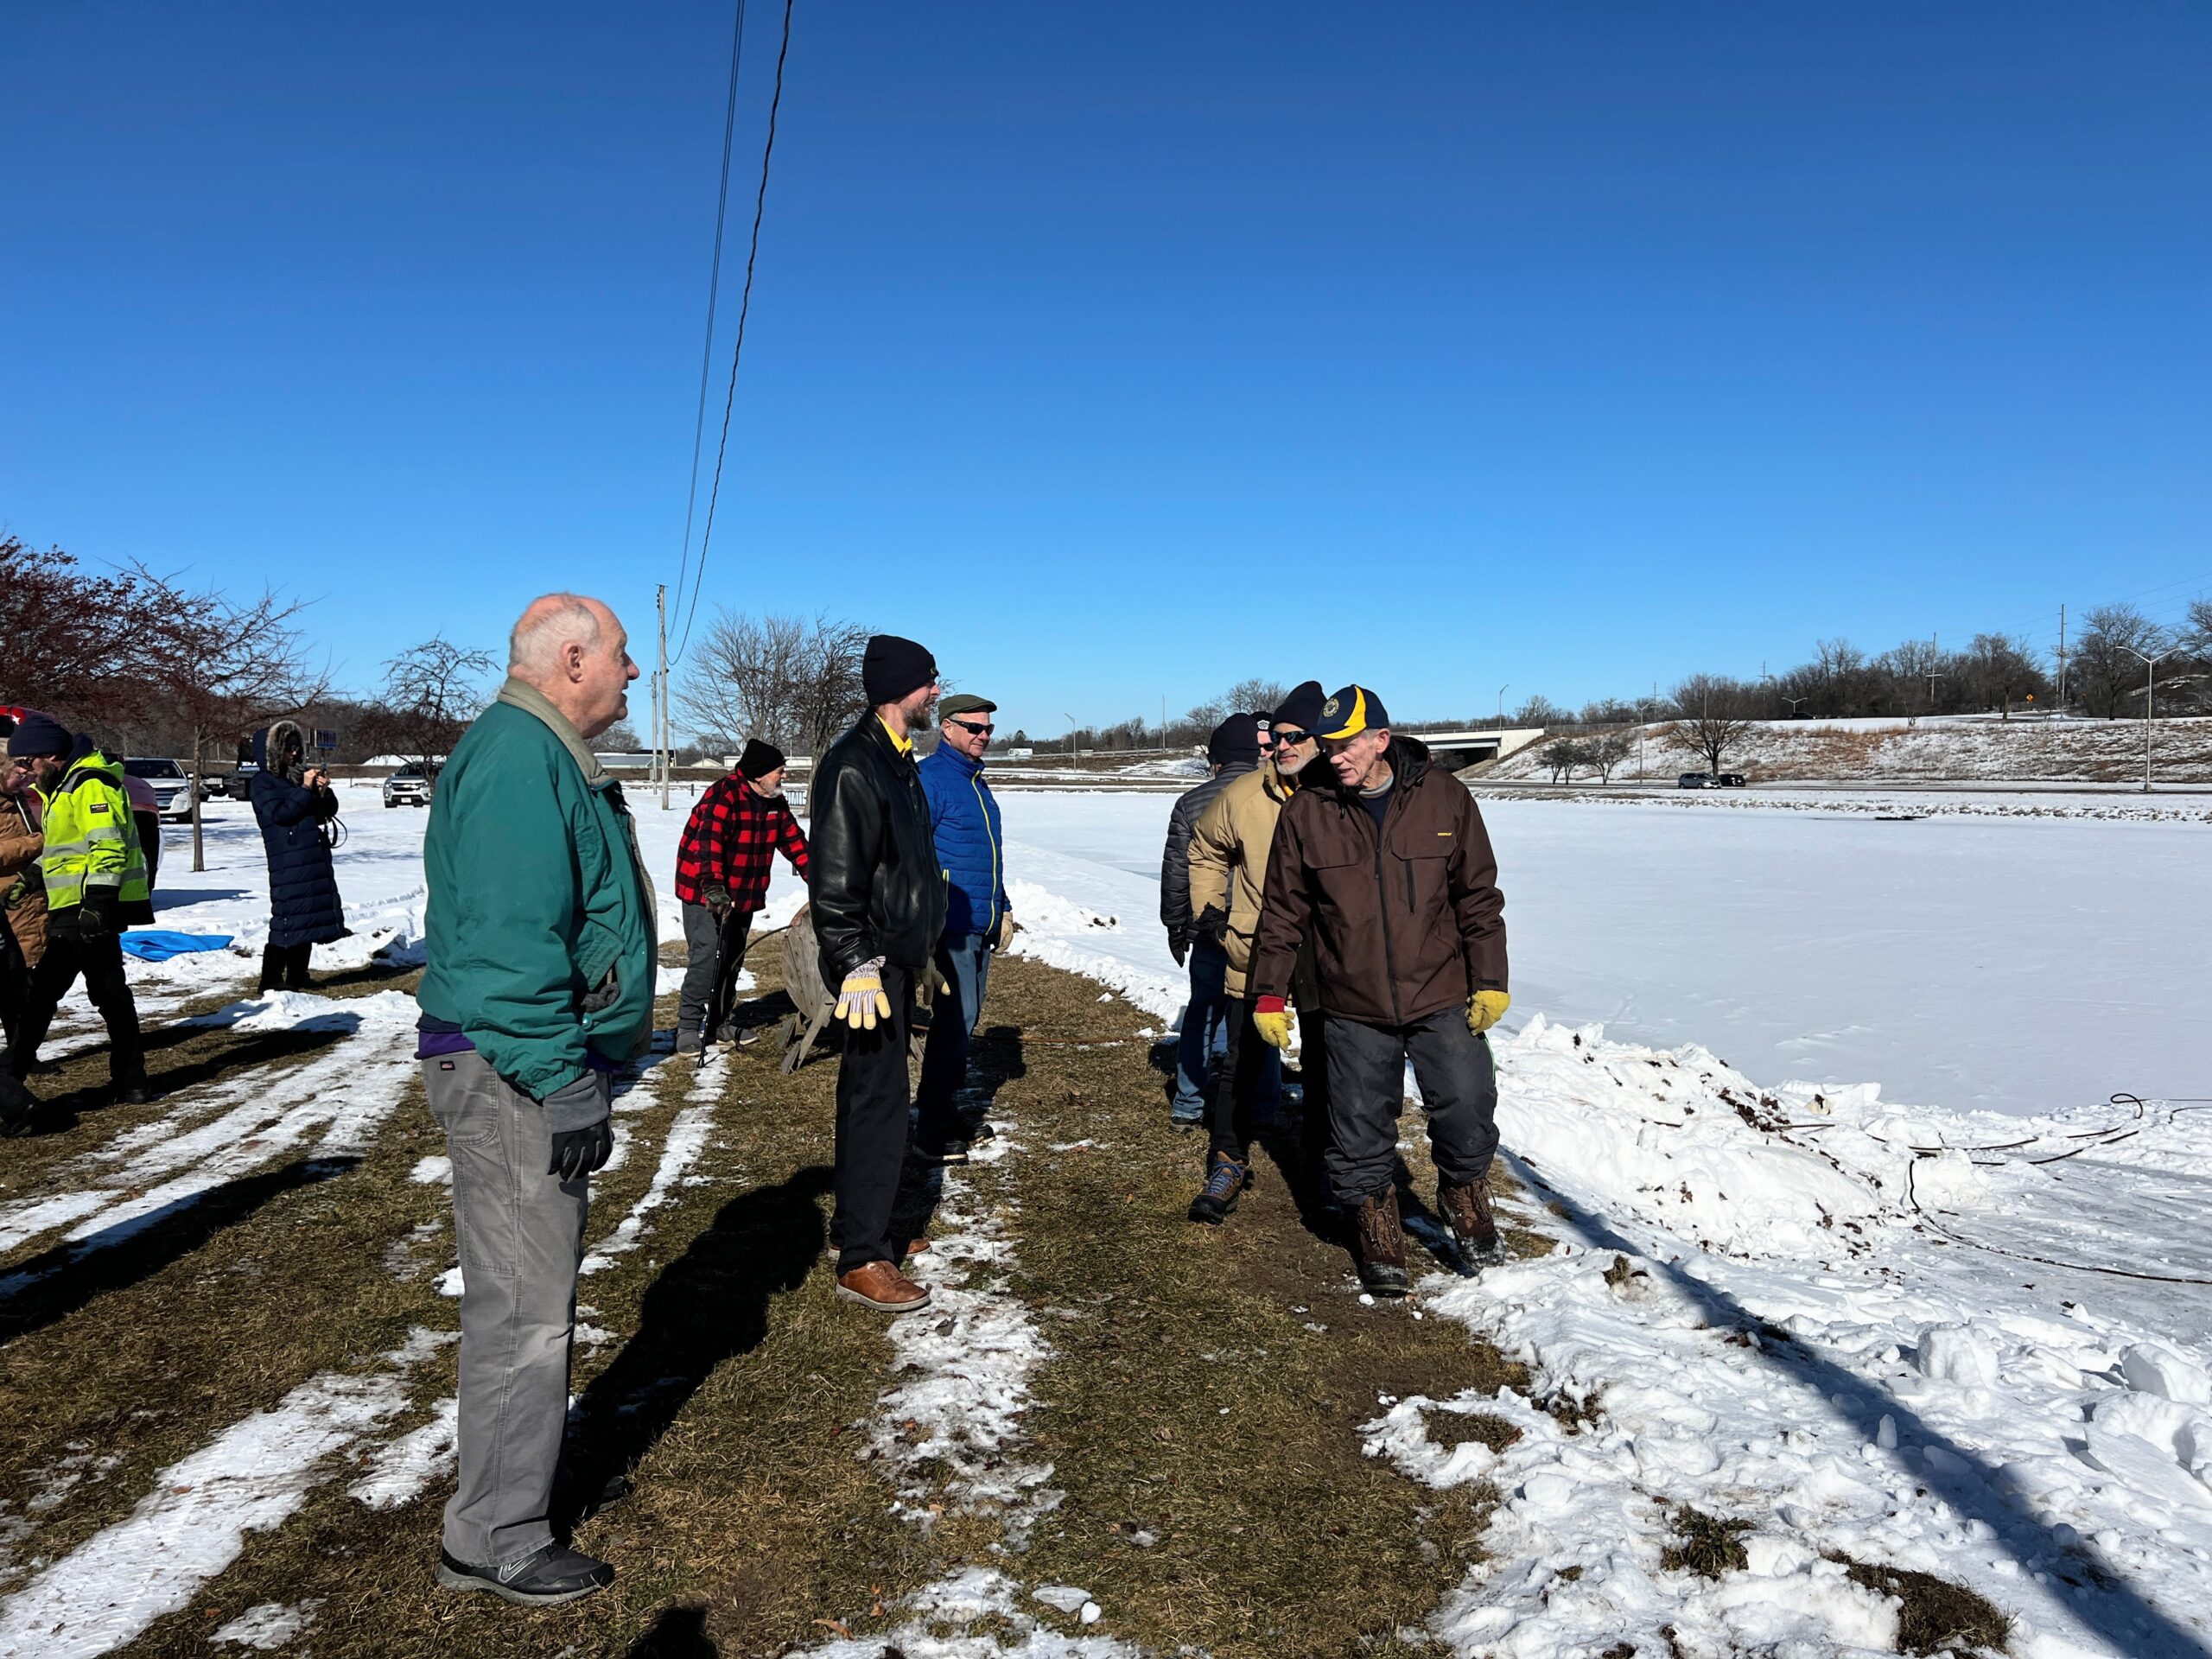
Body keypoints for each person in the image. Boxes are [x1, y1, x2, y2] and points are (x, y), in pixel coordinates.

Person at [415, 593, 652, 1606]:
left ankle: (508, 1500)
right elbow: (510, 946)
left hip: (519, 1061)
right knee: (522, 1310)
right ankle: (496, 1538)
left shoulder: (540, 750)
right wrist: (559, 1078)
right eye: (623, 654)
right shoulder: (520, 757)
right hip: (512, 1068)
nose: (633, 673)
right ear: (572, 660)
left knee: (530, 1297)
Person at [1247, 683, 1510, 1296]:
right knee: (1358, 1121)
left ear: (1381, 740)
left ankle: (1464, 1193)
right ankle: (1375, 1223)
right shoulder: (1307, 811)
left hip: (1440, 989)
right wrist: (1269, 993)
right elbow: (1282, 912)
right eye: (1328, 745)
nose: (1335, 756)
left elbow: (1478, 897)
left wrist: (1491, 980)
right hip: (1350, 999)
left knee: (1466, 1102)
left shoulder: (1445, 797)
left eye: (1347, 745)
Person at [807, 632, 945, 1314]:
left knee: (878, 1098)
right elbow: (835, 886)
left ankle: (864, 1222)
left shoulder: (897, 759)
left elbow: (904, 867)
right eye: (929, 680)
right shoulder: (854, 765)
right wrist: (855, 962)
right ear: (899, 689)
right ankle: (862, 1257)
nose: (937, 691)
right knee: (877, 1104)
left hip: (894, 959)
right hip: (870, 969)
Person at [1184, 685, 1328, 1223]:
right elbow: (1205, 849)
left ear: (1322, 740)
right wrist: (1211, 913)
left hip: (1328, 957)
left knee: (1328, 1063)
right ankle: (1227, 1160)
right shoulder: (1246, 794)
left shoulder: (1341, 793)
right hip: (1256, 947)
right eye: (1278, 737)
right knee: (1241, 1062)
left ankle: (1326, 1166)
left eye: (1296, 737)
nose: (1283, 746)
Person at [4, 713, 154, 1104]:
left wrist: (98, 904)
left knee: (42, 996)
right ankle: (132, 1081)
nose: (26, 772)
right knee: (109, 994)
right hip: (77, 906)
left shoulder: (90, 784)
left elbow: (108, 845)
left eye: (28, 762)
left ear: (51, 756)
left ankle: (8, 1079)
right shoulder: (64, 788)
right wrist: (30, 879)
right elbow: (63, 850)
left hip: (86, 908)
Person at [914, 691, 1014, 1165]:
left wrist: (1002, 908)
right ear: (947, 728)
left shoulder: (977, 783)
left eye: (988, 728)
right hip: (949, 926)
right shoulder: (930, 779)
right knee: (953, 1025)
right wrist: (927, 923)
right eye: (974, 727)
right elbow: (915, 858)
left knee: (964, 1024)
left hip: (978, 923)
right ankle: (930, 1129)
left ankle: (944, 1110)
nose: (984, 736)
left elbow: (986, 857)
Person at [1159, 713, 1267, 1130]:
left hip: (1209, 926)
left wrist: (1175, 926)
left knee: (1203, 1014)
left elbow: (1177, 873)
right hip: (1261, 929)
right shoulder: (1274, 796)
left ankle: (1188, 1103)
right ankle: (1264, 1102)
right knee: (1261, 1011)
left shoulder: (1191, 803)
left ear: (1216, 760)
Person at [671, 737, 809, 1054]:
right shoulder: (724, 796)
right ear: (758, 774)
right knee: (709, 957)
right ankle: (688, 1025)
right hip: (705, 891)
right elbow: (708, 846)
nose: (784, 775)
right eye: (780, 770)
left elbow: (796, 844)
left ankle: (720, 1023)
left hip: (743, 892)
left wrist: (822, 882)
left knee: (732, 958)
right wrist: (714, 888)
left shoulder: (774, 802)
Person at [249, 721, 348, 993]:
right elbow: (281, 815)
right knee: (287, 916)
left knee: (307, 915)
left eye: (296, 747)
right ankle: (270, 979)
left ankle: (298, 975)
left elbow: (327, 811)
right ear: (273, 751)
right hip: (288, 858)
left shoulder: (299, 776)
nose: (293, 753)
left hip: (312, 854)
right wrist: (304, 790)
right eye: (287, 748)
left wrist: (322, 792)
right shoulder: (262, 782)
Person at [0, 720, 47, 1135]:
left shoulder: (18, 800)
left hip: (27, 899)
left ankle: (21, 1057)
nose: (25, 776)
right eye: (19, 770)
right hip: (7, 901)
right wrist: (38, 845)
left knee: (22, 987)